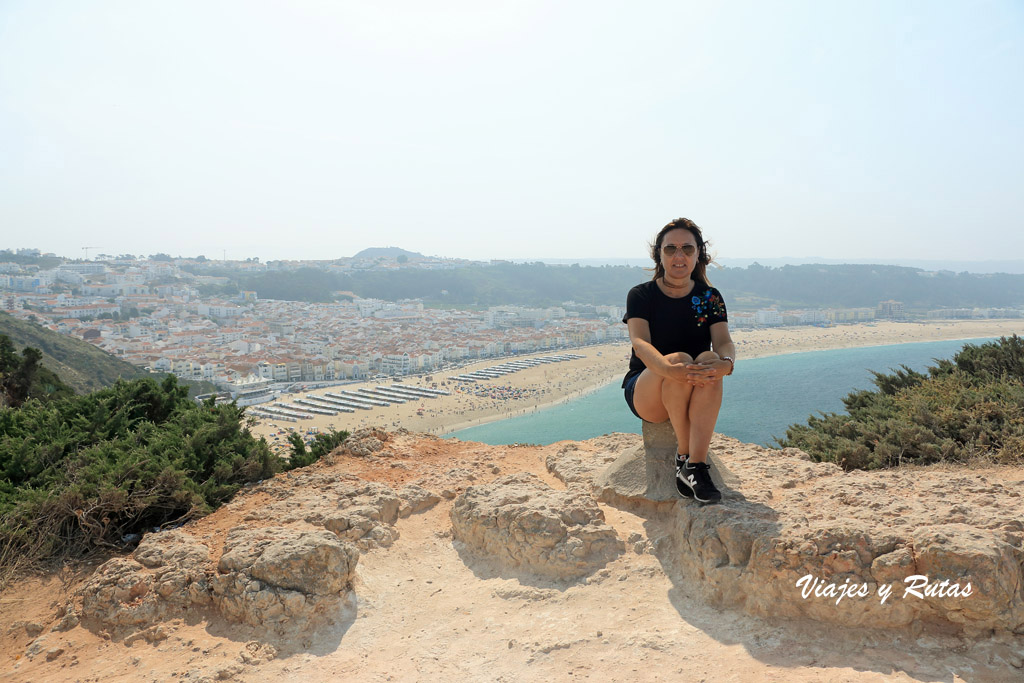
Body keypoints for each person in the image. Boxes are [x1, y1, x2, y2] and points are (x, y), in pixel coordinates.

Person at [621, 218, 736, 503]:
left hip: (692, 381)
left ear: (698, 254)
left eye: (687, 248)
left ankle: (694, 466)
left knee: (710, 358)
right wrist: (668, 369)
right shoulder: (641, 295)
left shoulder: (710, 297)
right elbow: (639, 343)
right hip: (647, 390)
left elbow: (723, 341)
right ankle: (685, 456)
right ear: (659, 254)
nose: (679, 256)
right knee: (680, 358)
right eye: (670, 249)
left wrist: (727, 363)